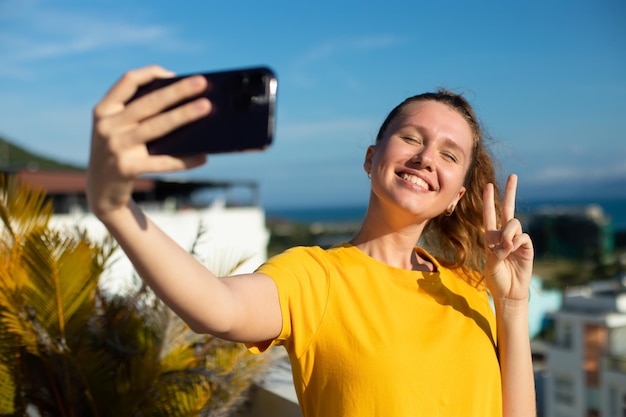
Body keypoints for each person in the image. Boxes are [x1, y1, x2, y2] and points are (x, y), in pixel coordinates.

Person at [87, 65, 536, 417]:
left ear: (457, 196)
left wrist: (513, 306)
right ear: (371, 158)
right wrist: (116, 208)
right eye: (411, 138)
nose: (424, 157)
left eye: (448, 153)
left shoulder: (473, 288)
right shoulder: (316, 278)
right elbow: (217, 307)